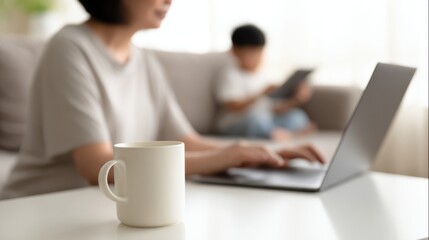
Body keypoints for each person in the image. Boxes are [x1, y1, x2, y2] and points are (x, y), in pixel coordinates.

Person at [0, 0, 324, 199]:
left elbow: (184, 140)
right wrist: (226, 158)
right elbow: (98, 167)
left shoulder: (143, 60)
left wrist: (264, 154)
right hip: (42, 205)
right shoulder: (69, 47)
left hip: (109, 204)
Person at [216, 24, 315, 141]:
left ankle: (279, 133)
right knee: (256, 120)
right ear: (235, 51)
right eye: (252, 53)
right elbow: (233, 106)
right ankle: (282, 134)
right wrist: (261, 93)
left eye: (260, 52)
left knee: (296, 115)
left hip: (266, 119)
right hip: (235, 122)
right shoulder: (230, 74)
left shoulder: (264, 74)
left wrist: (297, 100)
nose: (257, 58)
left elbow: (274, 109)